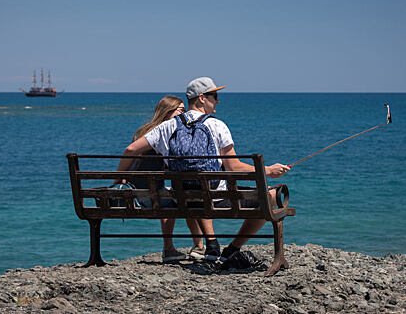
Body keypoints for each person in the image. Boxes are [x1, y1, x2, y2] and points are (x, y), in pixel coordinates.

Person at [117, 77, 290, 260]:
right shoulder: (216, 125)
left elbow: (131, 149)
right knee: (271, 196)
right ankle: (232, 249)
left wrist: (118, 178)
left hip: (184, 198)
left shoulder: (166, 127)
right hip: (216, 199)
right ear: (201, 98)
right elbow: (234, 167)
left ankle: (210, 244)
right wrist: (268, 171)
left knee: (193, 189)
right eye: (214, 96)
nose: (217, 100)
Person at [119, 95, 204, 263]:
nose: (185, 114)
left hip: (136, 193)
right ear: (168, 111)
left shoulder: (142, 132)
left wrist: (119, 177)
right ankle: (198, 246)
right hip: (148, 196)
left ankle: (171, 248)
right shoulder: (164, 133)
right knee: (187, 200)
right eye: (181, 110)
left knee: (171, 195)